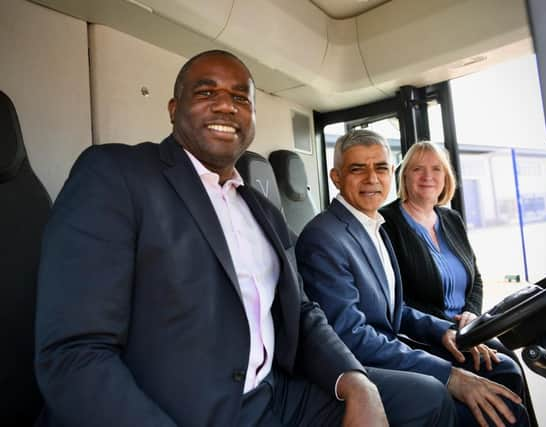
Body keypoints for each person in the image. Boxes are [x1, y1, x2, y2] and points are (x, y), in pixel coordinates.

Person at [34, 51, 457, 427]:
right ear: (172, 108)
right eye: (206, 92)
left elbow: (304, 313)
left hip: (275, 394)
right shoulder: (116, 175)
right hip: (179, 407)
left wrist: (355, 380)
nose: (225, 104)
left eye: (241, 98)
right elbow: (74, 354)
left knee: (427, 399)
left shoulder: (262, 209)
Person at [296, 129, 530, 427]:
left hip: (391, 348)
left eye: (380, 167)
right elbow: (351, 337)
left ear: (391, 173)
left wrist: (442, 331)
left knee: (505, 370)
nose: (372, 178)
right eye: (357, 169)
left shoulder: (372, 226)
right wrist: (449, 375)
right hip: (365, 365)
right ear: (336, 177)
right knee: (506, 413)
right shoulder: (324, 238)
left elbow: (395, 308)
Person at [379, 141, 537, 426]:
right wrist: (448, 328)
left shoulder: (451, 219)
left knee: (512, 365)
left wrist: (471, 314)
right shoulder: (387, 224)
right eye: (418, 169)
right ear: (405, 176)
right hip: (426, 335)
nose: (428, 176)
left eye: (436, 169)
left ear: (446, 177)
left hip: (468, 327)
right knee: (507, 370)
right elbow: (395, 297)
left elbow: (474, 278)